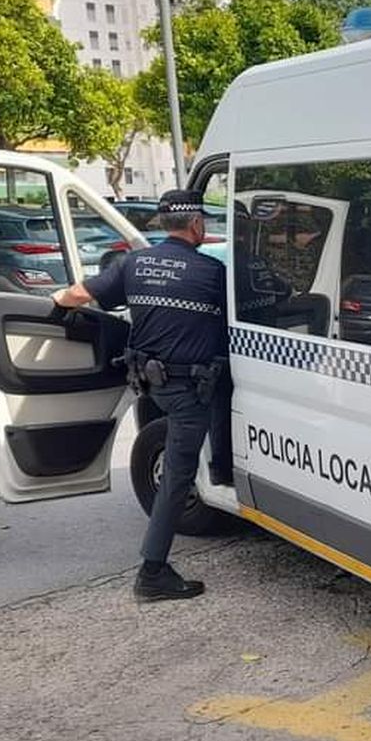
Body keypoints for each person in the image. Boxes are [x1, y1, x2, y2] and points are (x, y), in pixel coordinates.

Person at [50, 189, 228, 603]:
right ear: (197, 225)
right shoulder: (210, 272)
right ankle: (152, 572)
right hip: (188, 390)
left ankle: (220, 469)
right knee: (177, 478)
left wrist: (57, 314)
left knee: (214, 402)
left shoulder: (134, 263)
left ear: (163, 224)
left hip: (151, 383)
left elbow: (72, 296)